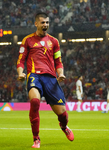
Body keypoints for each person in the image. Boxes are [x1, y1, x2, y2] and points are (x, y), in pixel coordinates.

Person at [17, 12, 74, 148]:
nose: (45, 25)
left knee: (62, 113)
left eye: (47, 22)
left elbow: (58, 62)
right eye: (43, 22)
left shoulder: (54, 41)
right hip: (34, 76)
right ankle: (36, 138)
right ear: (36, 23)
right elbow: (20, 60)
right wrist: (20, 73)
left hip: (50, 78)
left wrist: (60, 73)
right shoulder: (27, 40)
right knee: (35, 101)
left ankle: (64, 126)